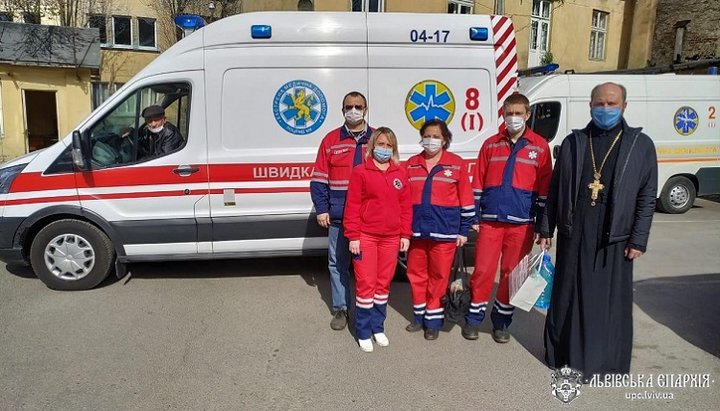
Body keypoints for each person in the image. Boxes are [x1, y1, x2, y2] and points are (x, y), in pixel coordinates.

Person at [539, 82, 658, 379]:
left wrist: (639, 238)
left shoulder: (640, 145)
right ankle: (563, 357)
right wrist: (546, 227)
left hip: (614, 236)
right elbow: (556, 189)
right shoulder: (574, 142)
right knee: (568, 294)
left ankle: (603, 363)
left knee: (603, 301)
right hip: (574, 231)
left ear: (624, 106)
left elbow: (646, 196)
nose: (606, 109)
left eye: (612, 103)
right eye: (600, 104)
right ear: (590, 105)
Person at [463, 93, 552, 343]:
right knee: (481, 271)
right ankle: (473, 319)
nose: (513, 118)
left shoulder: (540, 147)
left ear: (527, 114)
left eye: (518, 113)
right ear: (503, 114)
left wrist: (543, 227)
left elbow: (545, 191)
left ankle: (501, 322)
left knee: (511, 274)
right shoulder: (490, 145)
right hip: (490, 222)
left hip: (522, 224)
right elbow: (477, 182)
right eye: (509, 113)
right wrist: (474, 216)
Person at [404, 119, 475, 340]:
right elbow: (402, 201)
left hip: (444, 233)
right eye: (427, 135)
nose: (431, 140)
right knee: (416, 274)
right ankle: (418, 317)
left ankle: (433, 321)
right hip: (416, 232)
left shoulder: (456, 164)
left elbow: (466, 200)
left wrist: (463, 231)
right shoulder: (411, 164)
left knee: (438, 276)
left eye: (436, 136)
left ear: (445, 139)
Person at [343, 127, 412, 352]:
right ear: (372, 146)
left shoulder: (400, 173)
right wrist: (353, 236)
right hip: (366, 237)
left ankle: (377, 327)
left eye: (388, 145)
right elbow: (352, 206)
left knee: (383, 285)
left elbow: (405, 207)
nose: (384, 148)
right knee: (366, 284)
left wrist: (405, 234)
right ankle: (363, 330)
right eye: (380, 144)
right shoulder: (360, 171)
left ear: (394, 148)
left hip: (391, 238)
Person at [310, 92, 373, 330]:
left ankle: (366, 312)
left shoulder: (377, 140)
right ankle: (341, 310)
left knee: (366, 267)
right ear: (342, 110)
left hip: (368, 218)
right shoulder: (331, 140)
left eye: (358, 106)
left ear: (365, 110)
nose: (353, 110)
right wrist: (322, 209)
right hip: (338, 217)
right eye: (349, 106)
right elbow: (318, 179)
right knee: (337, 265)